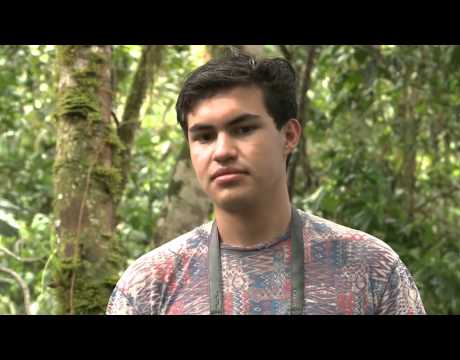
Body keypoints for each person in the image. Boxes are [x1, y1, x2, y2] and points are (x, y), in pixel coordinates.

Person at [106, 53, 426, 315]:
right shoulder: (150, 283)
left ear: (288, 136)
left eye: (243, 129)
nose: (222, 151)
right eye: (204, 136)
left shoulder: (369, 268)